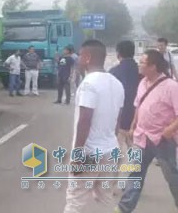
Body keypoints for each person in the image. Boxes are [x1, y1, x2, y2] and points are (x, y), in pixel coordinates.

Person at [63, 40, 124, 213]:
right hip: (110, 150)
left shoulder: (89, 84)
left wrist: (77, 155)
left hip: (90, 153)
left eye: (81, 56)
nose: (78, 60)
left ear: (88, 57)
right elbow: (117, 122)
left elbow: (85, 121)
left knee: (76, 199)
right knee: (105, 197)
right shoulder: (117, 84)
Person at [115, 50, 178, 213]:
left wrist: (170, 129)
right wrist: (133, 125)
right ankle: (124, 208)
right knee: (135, 173)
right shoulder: (142, 83)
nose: (139, 65)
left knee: (171, 175)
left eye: (143, 62)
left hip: (162, 140)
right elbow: (139, 105)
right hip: (141, 137)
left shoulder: (171, 87)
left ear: (153, 66)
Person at [108, 40, 140, 194]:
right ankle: (132, 185)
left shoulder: (113, 72)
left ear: (118, 53)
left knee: (117, 154)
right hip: (138, 121)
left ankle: (114, 185)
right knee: (135, 154)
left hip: (119, 120)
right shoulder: (142, 72)